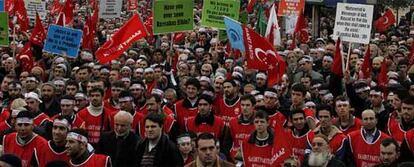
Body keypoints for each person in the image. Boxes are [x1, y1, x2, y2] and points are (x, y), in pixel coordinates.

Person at [226, 94, 256, 161]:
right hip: (234, 158)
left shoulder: (259, 123)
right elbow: (227, 143)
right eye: (242, 105)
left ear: (253, 106)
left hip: (252, 158)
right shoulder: (233, 122)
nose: (244, 108)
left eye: (248, 105)